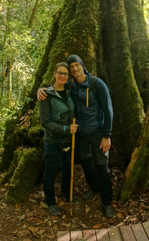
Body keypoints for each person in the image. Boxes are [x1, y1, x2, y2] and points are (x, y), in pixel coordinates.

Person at [38, 55, 115, 218]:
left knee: (101, 165)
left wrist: (107, 134)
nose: (74, 69)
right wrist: (41, 89)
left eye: (76, 65)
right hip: (79, 134)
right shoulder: (71, 86)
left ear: (82, 65)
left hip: (97, 133)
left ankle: (107, 203)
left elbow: (108, 110)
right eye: (70, 67)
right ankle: (94, 187)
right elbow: (54, 90)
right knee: (86, 162)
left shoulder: (97, 84)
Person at [39, 62, 79, 216]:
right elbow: (45, 122)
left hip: (69, 140)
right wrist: (65, 129)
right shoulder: (46, 95)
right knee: (50, 172)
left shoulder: (70, 90)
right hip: (53, 141)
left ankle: (67, 193)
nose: (62, 76)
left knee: (68, 168)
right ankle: (50, 201)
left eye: (65, 74)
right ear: (54, 73)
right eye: (60, 73)